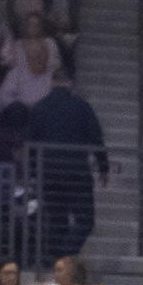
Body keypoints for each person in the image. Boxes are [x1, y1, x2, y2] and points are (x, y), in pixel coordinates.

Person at [24, 68, 109, 261]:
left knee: (56, 221)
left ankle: (57, 263)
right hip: (76, 171)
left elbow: (29, 144)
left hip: (48, 173)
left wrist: (31, 172)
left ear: (51, 83)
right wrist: (103, 166)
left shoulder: (39, 108)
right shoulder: (81, 107)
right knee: (85, 220)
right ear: (70, 83)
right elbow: (95, 137)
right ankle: (63, 258)